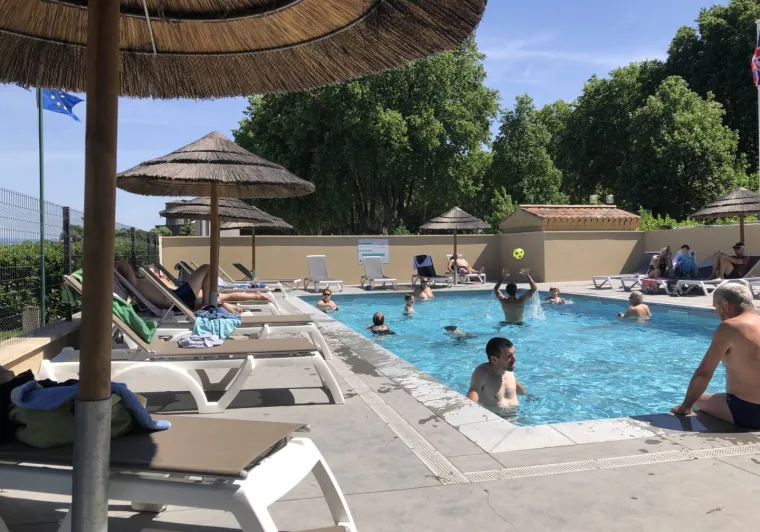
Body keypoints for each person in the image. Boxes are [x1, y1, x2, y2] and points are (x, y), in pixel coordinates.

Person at [672, 284, 760, 430]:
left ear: (726, 304)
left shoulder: (730, 327)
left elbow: (704, 372)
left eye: (716, 307)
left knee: (697, 400)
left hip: (751, 413)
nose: (716, 313)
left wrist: (685, 407)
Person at [117, 260, 269, 315]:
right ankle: (210, 304)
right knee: (208, 267)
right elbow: (123, 264)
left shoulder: (137, 284)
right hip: (177, 300)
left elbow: (124, 266)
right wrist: (116, 266)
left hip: (176, 298)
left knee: (209, 271)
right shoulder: (135, 284)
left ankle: (214, 303)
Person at [466, 337, 526, 412]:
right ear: (494, 359)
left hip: (515, 414)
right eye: (509, 356)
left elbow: (515, 383)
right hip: (495, 417)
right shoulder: (482, 373)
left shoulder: (508, 369)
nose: (514, 359)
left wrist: (528, 397)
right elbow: (474, 391)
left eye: (514, 354)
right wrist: (468, 410)